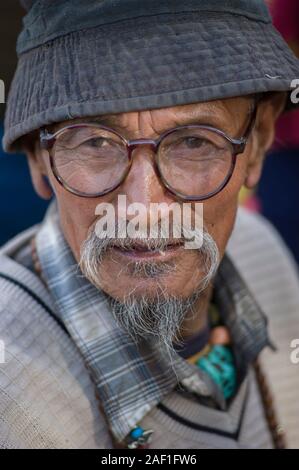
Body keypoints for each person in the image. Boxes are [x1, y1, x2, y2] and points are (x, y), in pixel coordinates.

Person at [0, 0, 299, 449]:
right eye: (95, 141)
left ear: (257, 145)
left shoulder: (263, 255)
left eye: (195, 141)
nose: (143, 209)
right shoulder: (12, 403)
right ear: (39, 160)